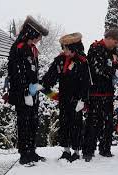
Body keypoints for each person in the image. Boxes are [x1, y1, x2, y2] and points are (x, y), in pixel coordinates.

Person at [7, 16, 49, 165]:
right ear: (31, 34)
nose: (38, 40)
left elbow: (33, 72)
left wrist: (35, 88)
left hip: (33, 93)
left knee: (33, 122)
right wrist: (25, 92)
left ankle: (32, 151)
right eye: (37, 37)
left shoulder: (32, 49)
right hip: (22, 94)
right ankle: (24, 154)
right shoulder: (18, 48)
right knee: (24, 123)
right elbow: (17, 74)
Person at [42, 33, 90, 162]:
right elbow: (50, 76)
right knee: (64, 124)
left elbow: (86, 83)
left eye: (67, 48)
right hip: (64, 98)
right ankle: (66, 150)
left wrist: (83, 100)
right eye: (63, 48)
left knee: (76, 125)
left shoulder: (82, 61)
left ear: (74, 48)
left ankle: (76, 151)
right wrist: (44, 87)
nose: (65, 51)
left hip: (77, 99)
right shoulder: (60, 60)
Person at [82, 29, 118, 162]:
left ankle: (105, 149)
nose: (115, 45)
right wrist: (113, 72)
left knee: (108, 122)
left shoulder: (113, 51)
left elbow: (116, 64)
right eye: (115, 42)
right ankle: (88, 150)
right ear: (109, 38)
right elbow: (97, 68)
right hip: (95, 92)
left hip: (108, 92)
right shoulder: (95, 48)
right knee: (93, 122)